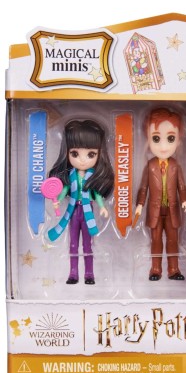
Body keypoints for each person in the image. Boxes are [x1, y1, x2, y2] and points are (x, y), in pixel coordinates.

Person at [48, 119, 114, 284]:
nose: (82, 160)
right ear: (67, 152)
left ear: (99, 153)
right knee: (72, 245)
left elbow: (96, 194)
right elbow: (65, 190)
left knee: (87, 245)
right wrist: (58, 201)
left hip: (87, 212)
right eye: (75, 154)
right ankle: (73, 274)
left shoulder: (93, 176)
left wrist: (102, 207)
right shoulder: (70, 175)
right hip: (73, 212)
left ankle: (89, 274)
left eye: (91, 154)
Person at [135, 107, 186, 281]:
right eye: (156, 139)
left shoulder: (175, 165)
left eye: (170, 138)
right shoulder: (150, 165)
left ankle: (174, 269)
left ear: (178, 140)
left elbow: (182, 186)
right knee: (156, 240)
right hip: (155, 211)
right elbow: (143, 187)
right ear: (148, 139)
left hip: (172, 210)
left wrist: (184, 200)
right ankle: (155, 269)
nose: (164, 146)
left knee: (173, 241)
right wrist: (140, 204)